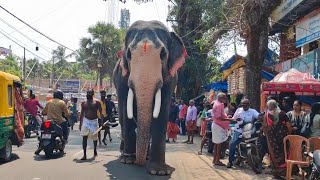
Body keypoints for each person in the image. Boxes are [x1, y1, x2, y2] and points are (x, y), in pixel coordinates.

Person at [227, 99, 261, 168]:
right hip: (238, 130)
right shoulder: (238, 110)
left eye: (246, 104)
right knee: (232, 144)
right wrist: (235, 120)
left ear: (249, 105)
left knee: (258, 143)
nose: (244, 106)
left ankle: (258, 161)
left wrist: (261, 116)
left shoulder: (253, 111)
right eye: (243, 104)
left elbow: (258, 116)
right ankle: (230, 161)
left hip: (249, 130)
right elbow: (233, 119)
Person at [263, 100, 292, 175]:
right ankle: (282, 168)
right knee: (283, 150)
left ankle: (276, 167)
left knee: (274, 151)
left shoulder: (267, 114)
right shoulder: (282, 113)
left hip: (272, 137)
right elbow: (288, 125)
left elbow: (265, 126)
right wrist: (289, 134)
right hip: (282, 135)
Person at [37, 90, 70, 155]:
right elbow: (67, 113)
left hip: (49, 121)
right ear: (61, 96)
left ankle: (40, 145)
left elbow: (43, 112)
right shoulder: (62, 102)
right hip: (59, 121)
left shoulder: (49, 102)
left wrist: (45, 113)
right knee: (65, 123)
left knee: (42, 130)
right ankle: (64, 139)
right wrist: (68, 114)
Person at [211, 92, 234, 166]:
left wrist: (227, 118)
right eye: (224, 98)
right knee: (219, 144)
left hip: (218, 125)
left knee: (216, 144)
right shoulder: (218, 105)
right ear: (220, 98)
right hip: (218, 126)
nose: (226, 99)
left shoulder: (218, 104)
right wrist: (229, 120)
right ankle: (217, 160)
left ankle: (215, 159)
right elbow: (218, 117)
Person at [79, 90, 102, 160]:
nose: (88, 94)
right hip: (86, 121)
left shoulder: (97, 102)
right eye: (87, 93)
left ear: (92, 94)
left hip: (94, 121)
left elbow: (100, 112)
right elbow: (82, 113)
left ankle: (95, 150)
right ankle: (84, 154)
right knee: (84, 137)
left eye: (90, 93)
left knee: (95, 138)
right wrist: (80, 123)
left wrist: (101, 121)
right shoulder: (83, 103)